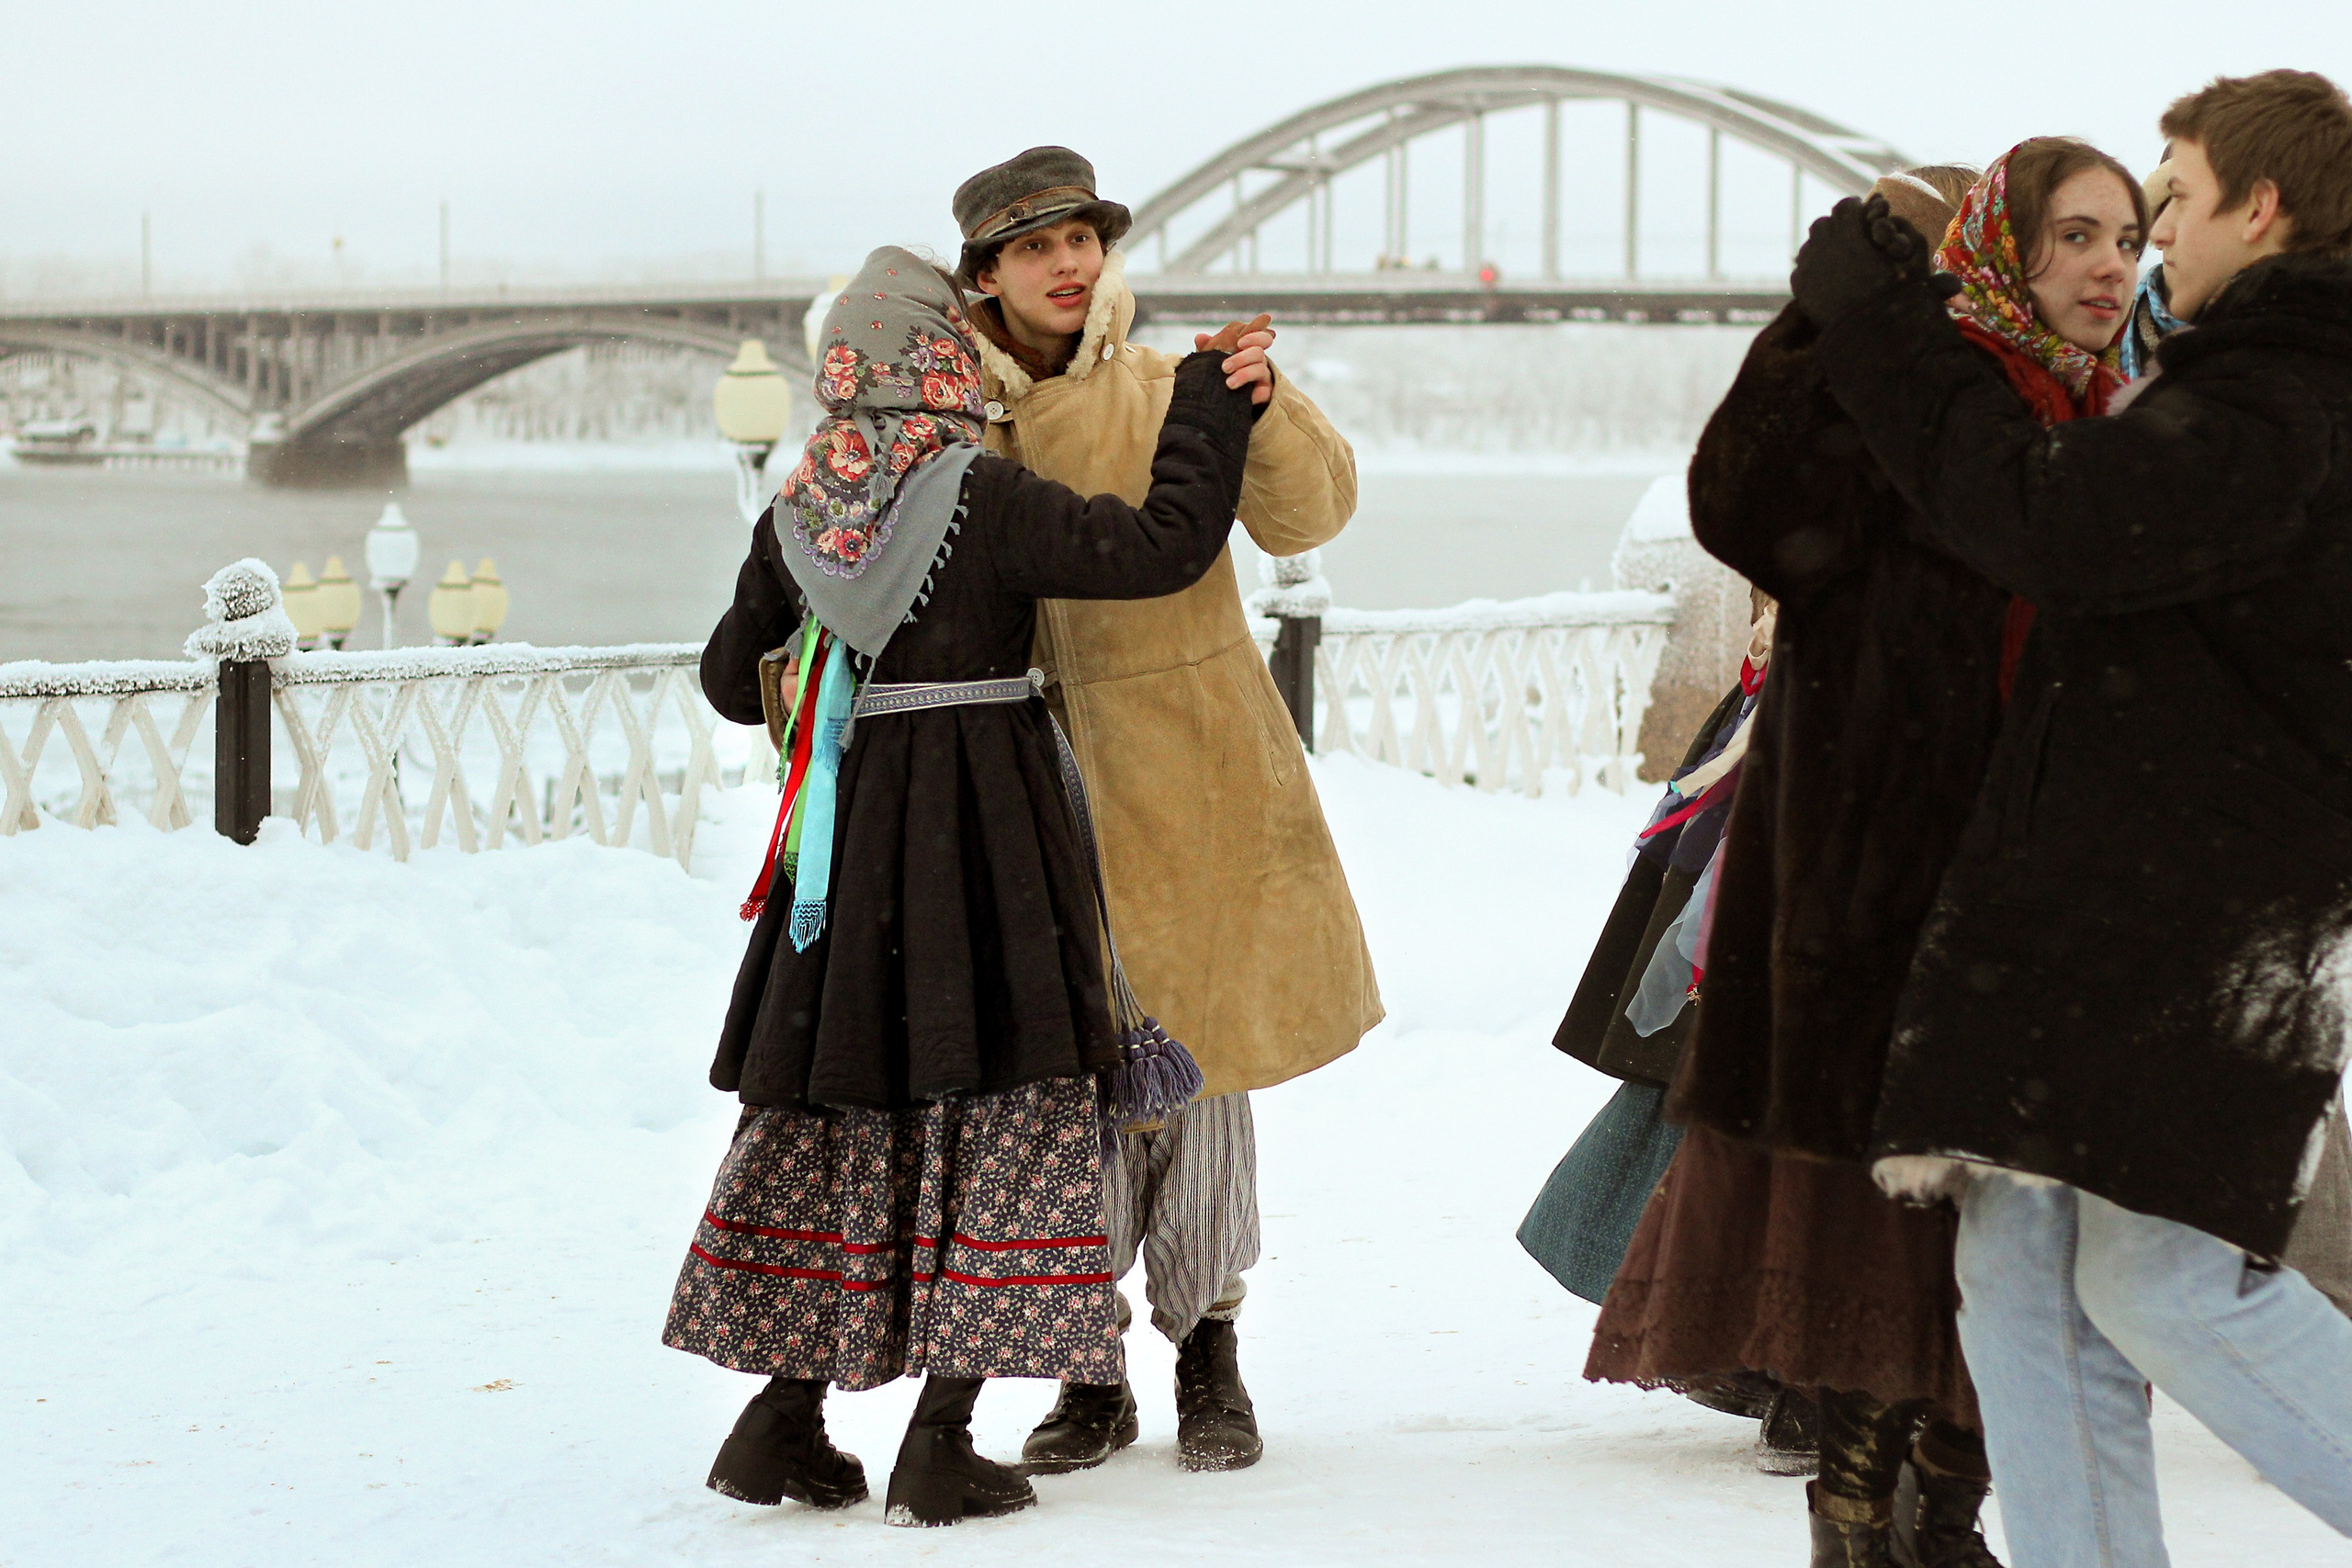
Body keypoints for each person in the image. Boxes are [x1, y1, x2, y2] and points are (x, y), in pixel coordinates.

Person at [1790, 69, 2352, 1563]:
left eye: (2174, 198)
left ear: (2263, 204)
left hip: (2207, 923)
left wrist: (1890, 337)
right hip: (2107, 905)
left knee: (2172, 1286)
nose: (2159, 240)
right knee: (2026, 1279)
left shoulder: (2293, 391)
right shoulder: (2249, 378)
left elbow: (2050, 519)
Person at [661, 247, 1259, 1528]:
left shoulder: (804, 504)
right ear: (937, 358)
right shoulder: (978, 494)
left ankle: (783, 1420)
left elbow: (727, 677)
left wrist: (848, 676)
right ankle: (939, 1441)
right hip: (989, 847)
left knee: (847, 1118)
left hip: (852, 862)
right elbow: (1159, 547)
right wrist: (1207, 407)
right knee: (1007, 1114)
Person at [1588, 159, 2061, 1568]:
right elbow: (1745, 505)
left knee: (2020, 1241)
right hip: (1882, 890)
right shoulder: (1907, 409)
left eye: (2122, 238)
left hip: (2056, 892)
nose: (2101, 268)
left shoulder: (2103, 417)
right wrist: (1827, 321)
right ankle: (1865, 1521)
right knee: (1889, 1231)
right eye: (2068, 237)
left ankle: (1941, 1508)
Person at [946, 146, 1381, 1476]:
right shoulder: (954, 418)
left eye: (1082, 239)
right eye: (1035, 248)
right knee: (1058, 1081)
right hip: (1024, 786)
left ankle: (1210, 1352)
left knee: (1198, 1068)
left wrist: (1272, 402)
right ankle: (1088, 1367)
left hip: (1188, 769)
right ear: (985, 276)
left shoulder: (1164, 388)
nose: (1069, 265)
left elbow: (1314, 511)